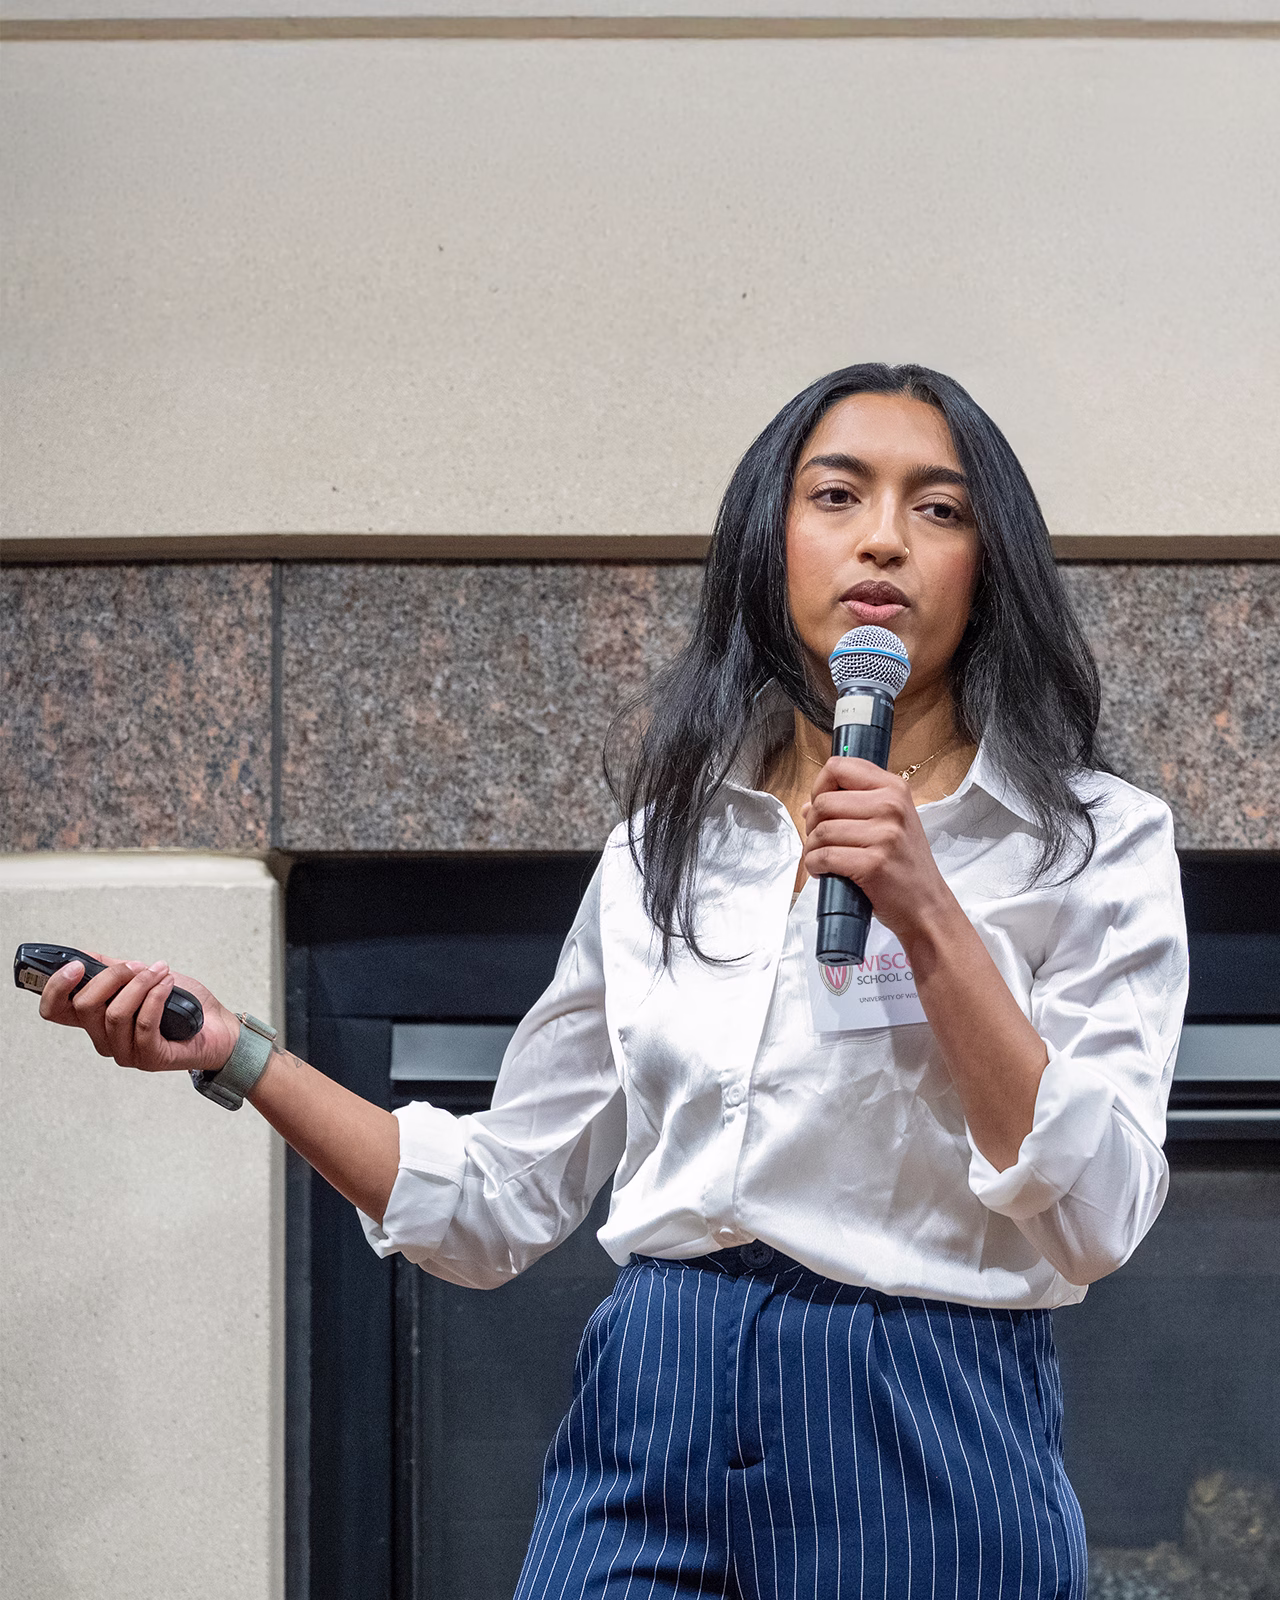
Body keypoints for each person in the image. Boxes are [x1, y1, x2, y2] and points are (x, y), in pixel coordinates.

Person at [38, 362, 1189, 1599]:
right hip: (651, 1412)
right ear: (770, 541)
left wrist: (929, 912)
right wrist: (234, 1052)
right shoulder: (668, 843)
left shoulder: (1092, 840)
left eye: (940, 509)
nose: (883, 540)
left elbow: (1100, 1216)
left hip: (925, 1420)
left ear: (991, 561)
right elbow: (497, 1200)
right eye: (837, 494)